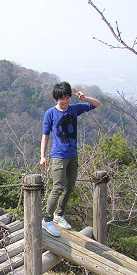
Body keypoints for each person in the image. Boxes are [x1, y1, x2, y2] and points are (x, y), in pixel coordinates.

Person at [40, 82, 101, 237]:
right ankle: (47, 219)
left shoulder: (74, 109)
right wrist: (43, 155)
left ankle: (59, 215)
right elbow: (45, 135)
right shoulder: (50, 113)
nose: (65, 101)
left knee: (70, 187)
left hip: (73, 154)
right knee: (58, 186)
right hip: (58, 156)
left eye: (67, 97)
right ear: (56, 98)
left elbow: (97, 104)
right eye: (62, 98)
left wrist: (84, 97)